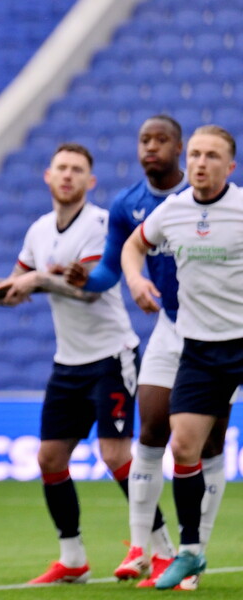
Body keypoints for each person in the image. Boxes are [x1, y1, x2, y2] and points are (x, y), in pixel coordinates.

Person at [65, 116, 227, 589]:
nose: (151, 147)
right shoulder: (130, 205)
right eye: (144, 140)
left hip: (222, 333)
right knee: (153, 429)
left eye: (162, 141)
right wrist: (87, 279)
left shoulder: (210, 204)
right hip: (172, 327)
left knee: (205, 444)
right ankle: (143, 548)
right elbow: (113, 269)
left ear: (180, 148)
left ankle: (196, 553)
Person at [0, 143, 142, 584]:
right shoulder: (38, 230)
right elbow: (14, 285)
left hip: (112, 355)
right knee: (50, 458)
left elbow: (89, 289)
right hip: (68, 361)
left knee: (114, 455)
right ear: (48, 177)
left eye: (78, 170)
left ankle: (153, 547)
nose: (68, 176)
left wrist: (37, 279)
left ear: (90, 181)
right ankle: (73, 559)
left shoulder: (99, 224)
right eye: (62, 168)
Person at [120, 125, 242, 590]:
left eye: (211, 156)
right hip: (200, 349)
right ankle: (190, 553)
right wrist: (135, 279)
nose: (200, 162)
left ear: (229, 167)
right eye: (194, 154)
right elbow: (134, 245)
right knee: (184, 447)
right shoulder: (173, 211)